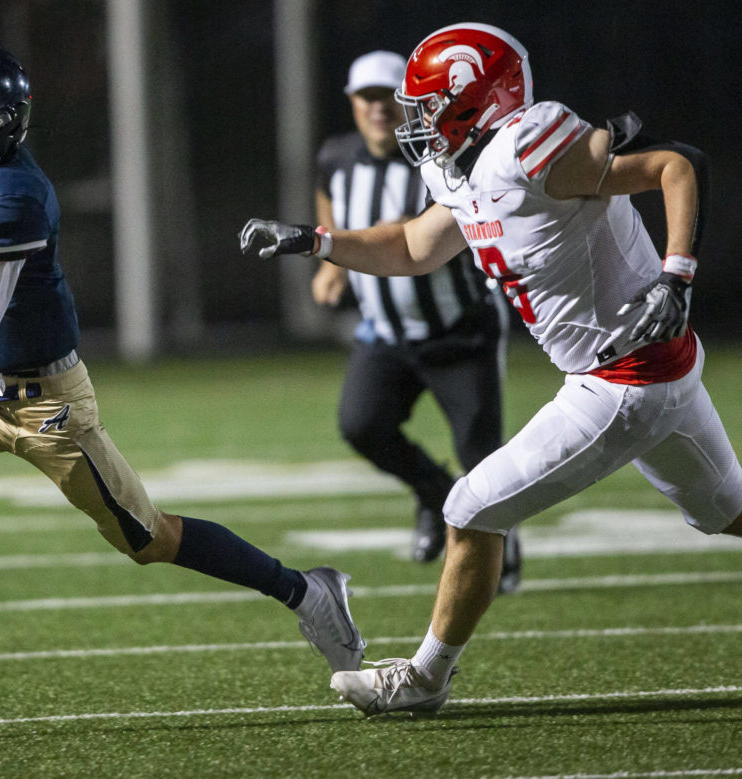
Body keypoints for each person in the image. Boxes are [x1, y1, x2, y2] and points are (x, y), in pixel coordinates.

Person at [0, 44, 365, 683]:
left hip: (45, 405)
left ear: (2, 129)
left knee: (148, 540)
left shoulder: (9, 196)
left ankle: (306, 591)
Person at [240, 22, 742, 716]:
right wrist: (315, 240)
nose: (416, 120)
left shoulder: (528, 148)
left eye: (427, 105)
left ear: (475, 99)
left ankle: (422, 679)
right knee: (728, 511)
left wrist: (676, 274)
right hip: (659, 372)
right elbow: (416, 245)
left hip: (623, 379)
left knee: (470, 508)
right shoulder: (463, 165)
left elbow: (676, 166)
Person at [312, 50, 520, 590]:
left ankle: (502, 550)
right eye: (367, 98)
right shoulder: (337, 156)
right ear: (354, 104)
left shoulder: (446, 156)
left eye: (388, 97)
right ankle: (434, 494)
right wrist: (334, 263)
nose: (378, 108)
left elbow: (476, 218)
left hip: (459, 330)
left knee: (482, 455)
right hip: (385, 334)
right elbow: (327, 196)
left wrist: (403, 228)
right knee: (363, 425)